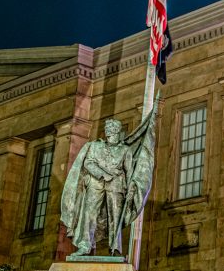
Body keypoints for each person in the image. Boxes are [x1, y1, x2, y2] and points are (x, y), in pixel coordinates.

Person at [60, 102, 158, 257]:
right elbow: (88, 162)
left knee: (115, 217)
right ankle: (85, 246)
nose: (110, 132)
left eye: (113, 130)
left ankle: (115, 249)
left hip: (117, 186)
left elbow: (130, 171)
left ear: (117, 132)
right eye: (109, 130)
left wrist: (132, 184)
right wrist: (102, 174)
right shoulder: (95, 146)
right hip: (95, 183)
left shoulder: (125, 150)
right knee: (88, 215)